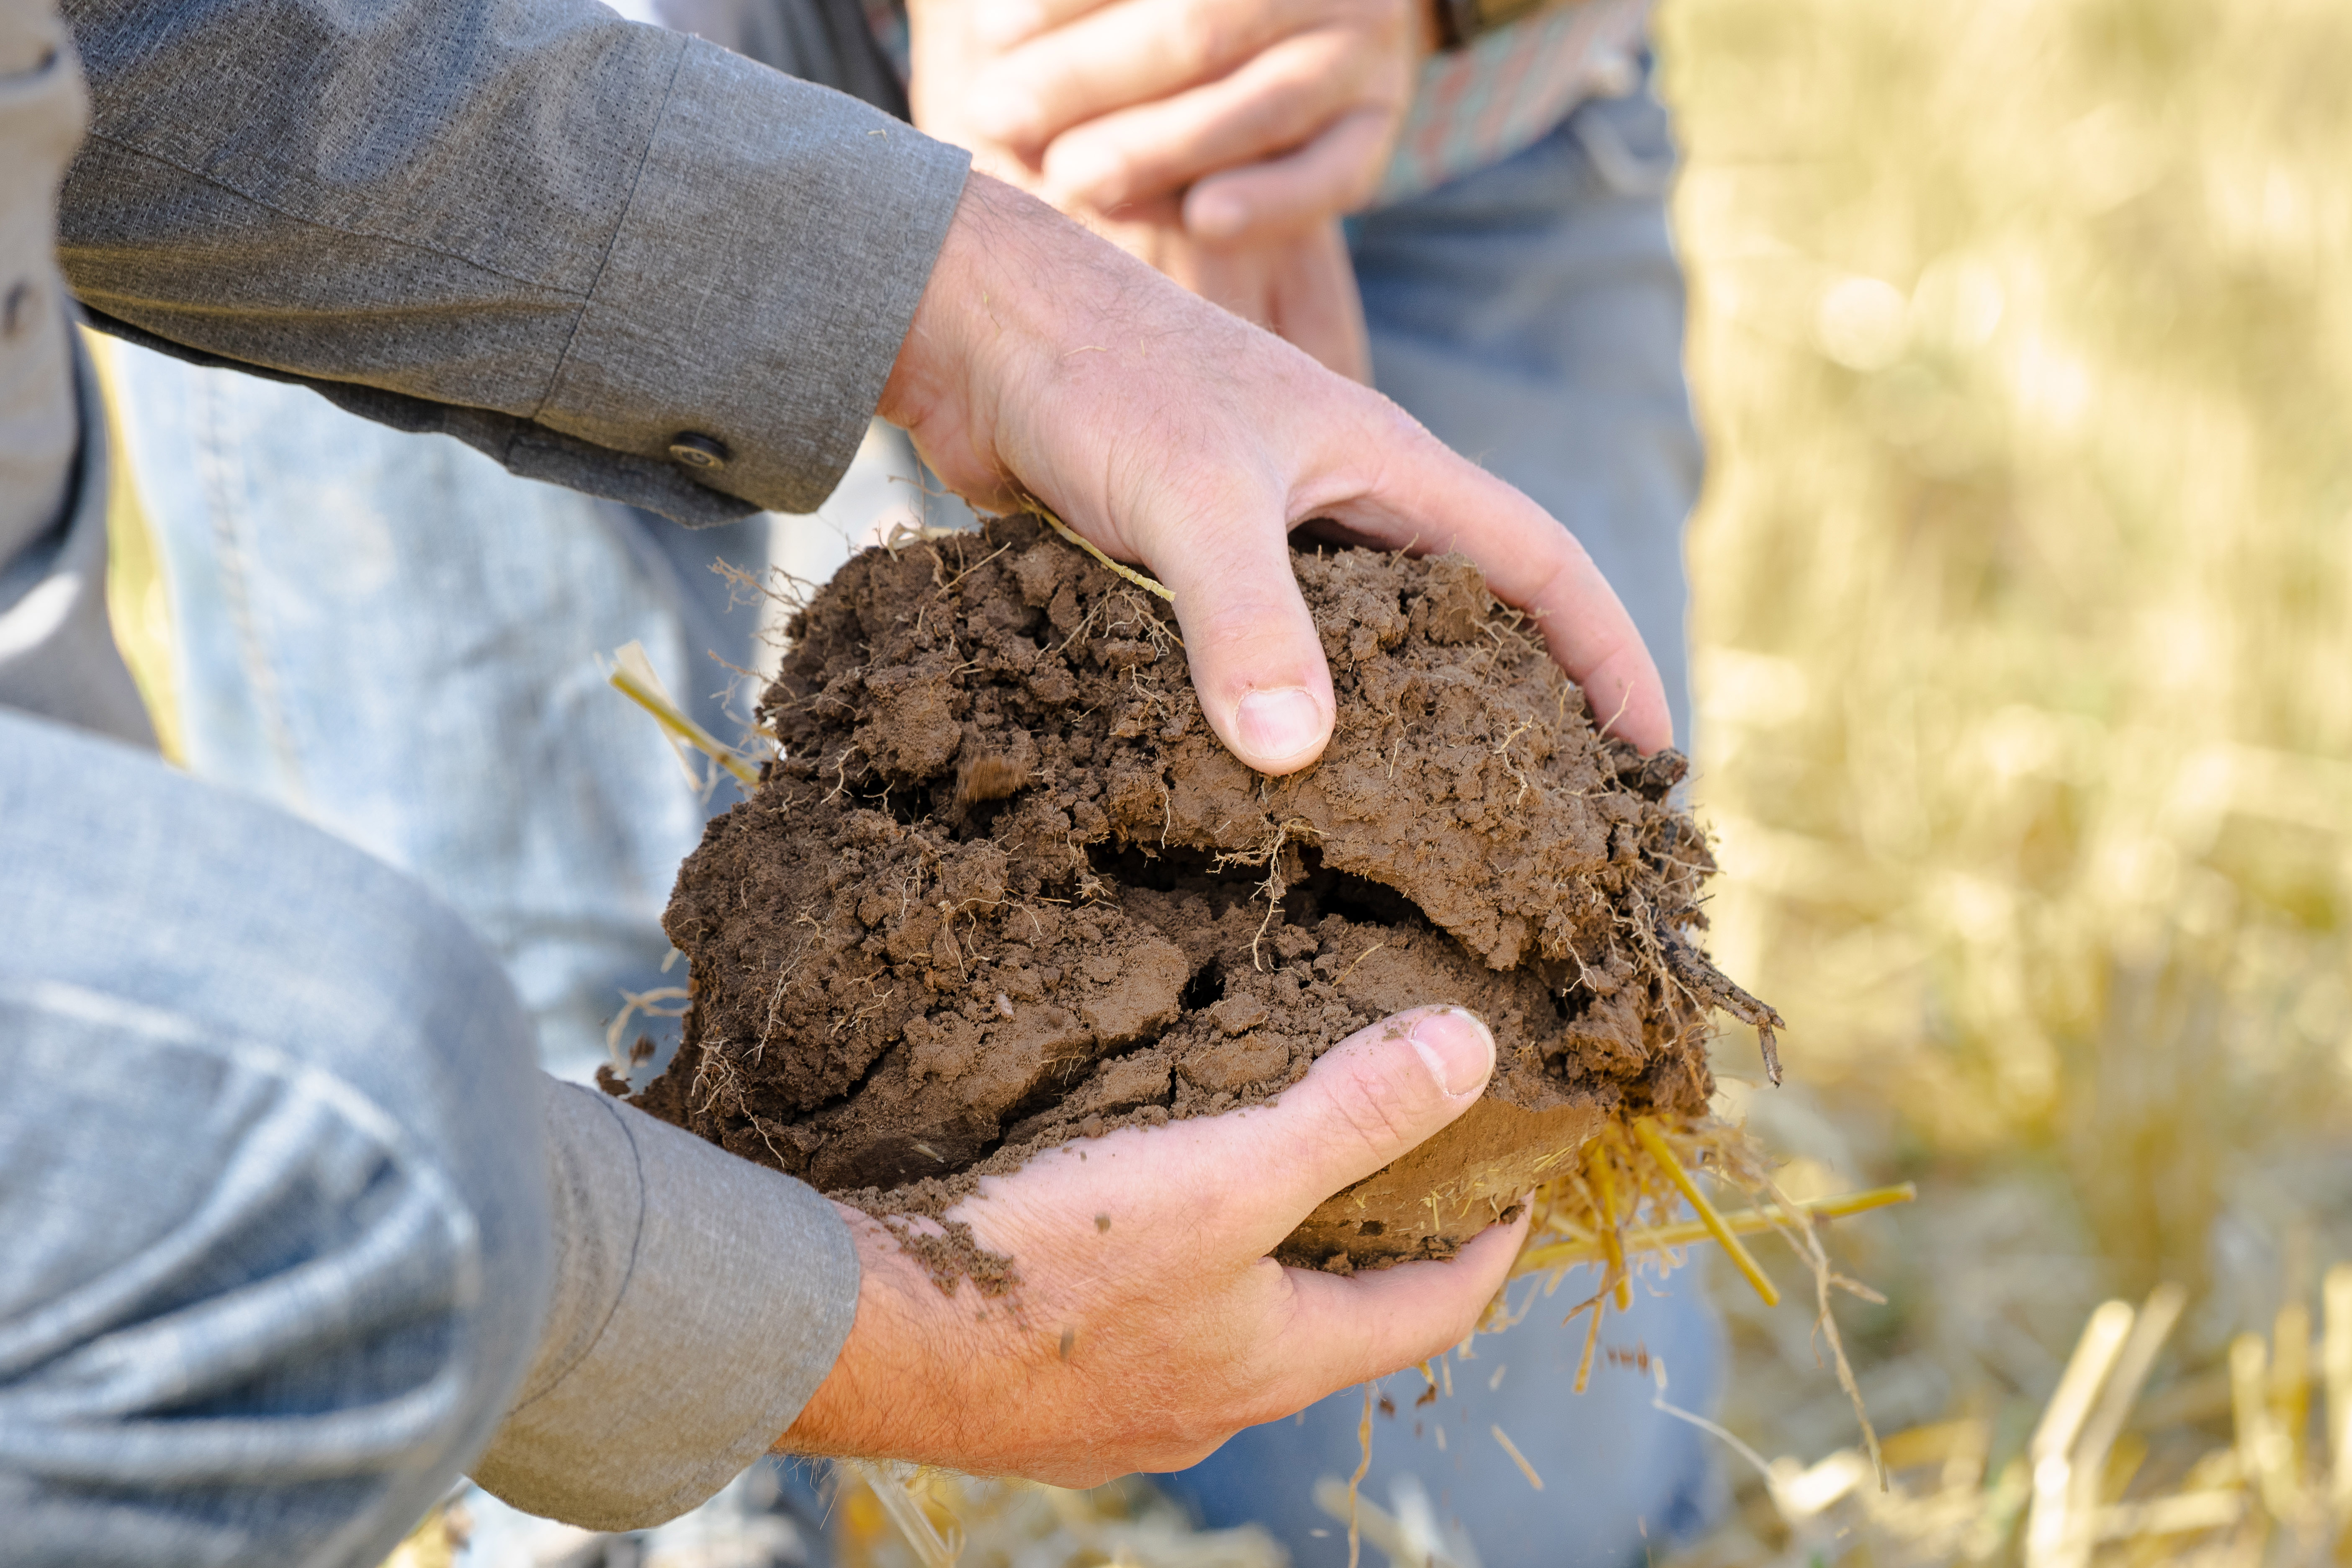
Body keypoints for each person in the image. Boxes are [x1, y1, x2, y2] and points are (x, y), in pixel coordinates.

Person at [0, 2, 1672, 1566]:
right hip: (559, 30)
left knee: (1493, 1500)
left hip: (1417, 117)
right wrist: (879, 1320)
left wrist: (1033, 261)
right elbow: (288, 1132)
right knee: (506, 1086)